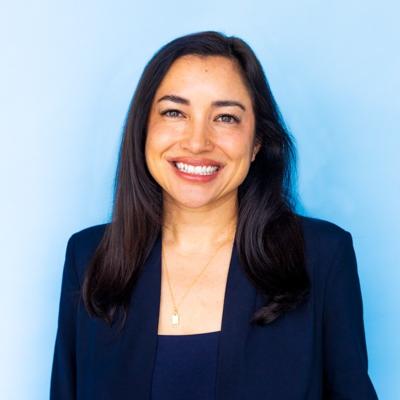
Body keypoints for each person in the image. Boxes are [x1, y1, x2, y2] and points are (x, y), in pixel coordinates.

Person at [50, 31, 378, 399]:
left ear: (257, 142)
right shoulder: (89, 257)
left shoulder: (321, 257)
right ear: (143, 131)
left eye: (225, 118)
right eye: (175, 112)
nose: (197, 142)